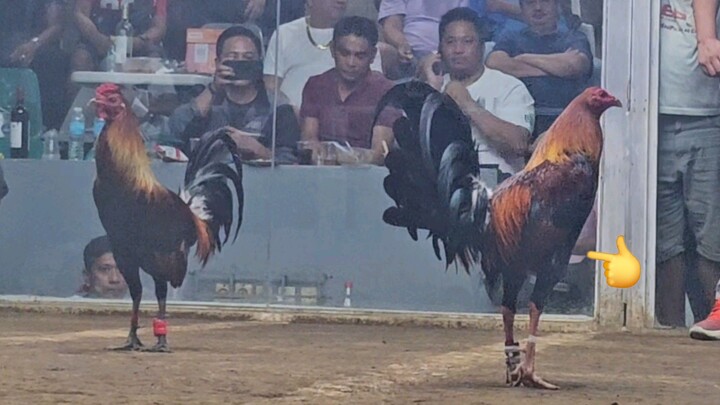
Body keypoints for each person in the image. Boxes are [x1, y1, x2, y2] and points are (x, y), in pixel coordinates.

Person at [658, 0, 720, 336]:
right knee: (665, 241)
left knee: (710, 233)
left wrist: (707, 36)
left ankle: (715, 319)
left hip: (708, 118)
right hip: (651, 120)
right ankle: (667, 330)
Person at [418, 7, 535, 179]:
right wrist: (430, 93)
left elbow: (518, 144)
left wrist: (467, 103)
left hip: (496, 183)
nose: (458, 49)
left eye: (467, 41)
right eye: (450, 42)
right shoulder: (433, 85)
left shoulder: (509, 87)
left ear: (481, 47)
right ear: (440, 49)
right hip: (441, 183)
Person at [168, 25, 300, 163]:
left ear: (259, 63)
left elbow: (291, 164)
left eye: (248, 58)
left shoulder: (279, 109)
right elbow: (174, 139)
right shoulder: (205, 100)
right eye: (232, 57)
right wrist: (213, 89)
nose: (240, 63)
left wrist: (258, 150)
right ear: (218, 63)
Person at [486, 0, 593, 141]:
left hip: (566, 120)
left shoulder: (574, 37)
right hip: (519, 122)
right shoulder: (511, 38)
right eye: (530, 3)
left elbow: (575, 66)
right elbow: (494, 63)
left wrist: (524, 58)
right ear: (522, 9)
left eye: (545, 1)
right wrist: (555, 66)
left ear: (557, 5)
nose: (537, 8)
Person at [300, 16, 401, 165]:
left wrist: (332, 155)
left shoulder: (388, 92)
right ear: (333, 50)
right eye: (344, 53)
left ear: (373, 56)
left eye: (360, 56)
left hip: (367, 179)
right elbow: (309, 140)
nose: (351, 63)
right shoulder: (315, 85)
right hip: (320, 175)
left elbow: (380, 153)